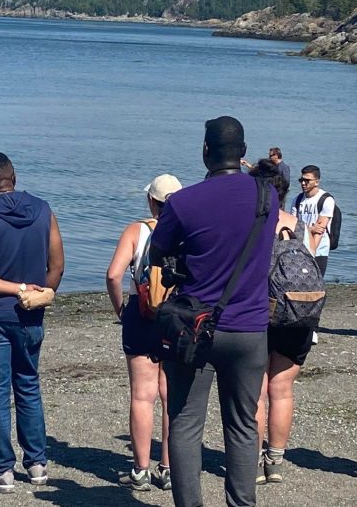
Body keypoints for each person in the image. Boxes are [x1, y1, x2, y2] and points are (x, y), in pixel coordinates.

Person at [149, 117, 278, 507]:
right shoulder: (266, 197)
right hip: (249, 327)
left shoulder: (184, 202)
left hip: (195, 325)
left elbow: (159, 254)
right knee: (242, 426)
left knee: (186, 425)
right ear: (242, 151)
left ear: (204, 150)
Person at [0, 153, 64, 493]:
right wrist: (39, 292)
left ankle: (2, 470)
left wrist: (15, 289)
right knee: (28, 385)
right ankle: (36, 463)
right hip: (30, 314)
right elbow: (57, 266)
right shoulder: (42, 210)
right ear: (14, 177)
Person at [104, 174, 182, 492]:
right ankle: (168, 467)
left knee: (142, 395)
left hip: (142, 312)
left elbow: (113, 275)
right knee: (170, 395)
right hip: (176, 316)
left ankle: (141, 470)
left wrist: (121, 309)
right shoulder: (188, 231)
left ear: (151, 200)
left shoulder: (137, 230)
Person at [248, 159, 312, 486]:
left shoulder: (253, 221)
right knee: (282, 389)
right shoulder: (299, 225)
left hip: (260, 312)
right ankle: (275, 460)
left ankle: (254, 463)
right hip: (298, 312)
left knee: (257, 392)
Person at [292, 165, 335, 276]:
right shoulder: (297, 200)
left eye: (307, 180)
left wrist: (311, 254)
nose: (303, 183)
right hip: (299, 249)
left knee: (316, 286)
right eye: (301, 180)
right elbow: (292, 227)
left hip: (319, 250)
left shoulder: (326, 200)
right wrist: (310, 228)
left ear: (316, 182)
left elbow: (319, 231)